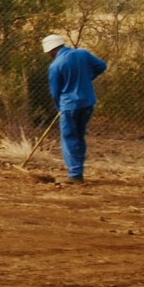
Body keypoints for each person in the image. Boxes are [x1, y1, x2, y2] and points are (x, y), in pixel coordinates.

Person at [42, 34, 108, 184]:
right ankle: (78, 170)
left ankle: (75, 174)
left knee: (69, 137)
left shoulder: (55, 66)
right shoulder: (82, 54)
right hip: (88, 102)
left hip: (69, 105)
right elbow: (102, 66)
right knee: (79, 135)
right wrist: (88, 77)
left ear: (51, 51)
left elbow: (55, 91)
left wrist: (60, 108)